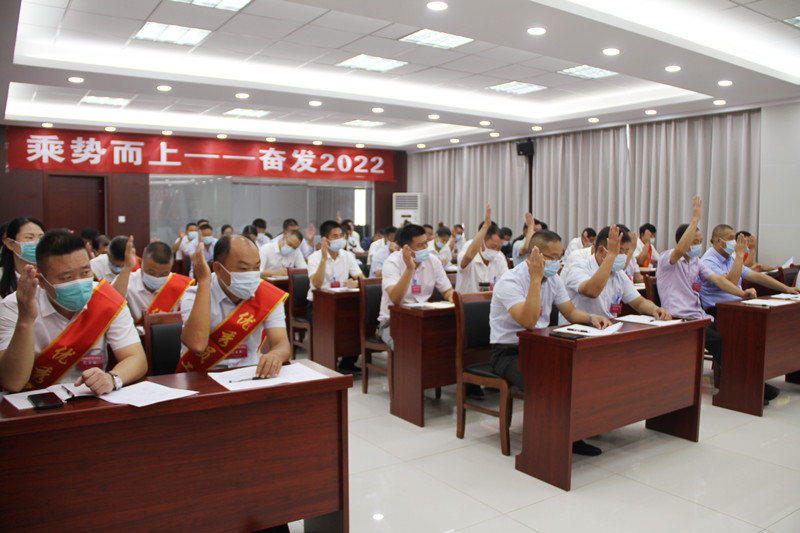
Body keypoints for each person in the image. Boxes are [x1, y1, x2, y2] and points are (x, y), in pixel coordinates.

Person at [489, 230, 612, 455]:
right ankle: (545, 444)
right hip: (509, 352)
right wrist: (536, 279)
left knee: (576, 373)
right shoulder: (510, 281)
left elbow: (570, 311)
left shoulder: (554, 279)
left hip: (541, 347)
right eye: (552, 257)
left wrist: (591, 317)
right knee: (546, 381)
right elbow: (528, 321)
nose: (557, 262)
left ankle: (572, 435)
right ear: (535, 255)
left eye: (559, 256)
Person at [0, 229, 146, 393]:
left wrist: (112, 378)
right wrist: (25, 320)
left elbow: (136, 359)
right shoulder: (14, 306)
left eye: (85, 272)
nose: (79, 283)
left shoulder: (106, 299)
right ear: (41, 281)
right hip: (33, 401)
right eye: (67, 277)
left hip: (91, 398)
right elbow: (12, 382)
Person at [655, 197, 774, 397]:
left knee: (736, 334)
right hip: (679, 317)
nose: (698, 245)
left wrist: (741, 293)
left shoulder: (696, 262)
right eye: (694, 241)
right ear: (682, 241)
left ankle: (751, 382)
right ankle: (743, 386)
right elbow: (679, 251)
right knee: (719, 341)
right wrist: (695, 219)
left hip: (699, 315)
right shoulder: (667, 258)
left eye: (700, 241)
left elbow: (719, 281)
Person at [179, 235, 290, 374]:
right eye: (243, 269)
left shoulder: (268, 295)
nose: (251, 275)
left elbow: (281, 344)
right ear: (218, 269)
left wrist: (276, 355)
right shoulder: (194, 295)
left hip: (247, 374)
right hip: (203, 376)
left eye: (256, 267)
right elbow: (197, 344)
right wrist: (204, 282)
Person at [564, 225, 670, 320]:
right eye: (619, 252)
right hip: (579, 329)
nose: (623, 256)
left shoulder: (618, 273)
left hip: (607, 328)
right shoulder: (578, 268)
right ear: (601, 251)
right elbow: (592, 291)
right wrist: (611, 255)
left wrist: (654, 309)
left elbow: (639, 302)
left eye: (626, 251)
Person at [377, 224, 453, 350]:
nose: (426, 248)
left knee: (446, 338)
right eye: (420, 245)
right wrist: (409, 268)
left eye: (426, 243)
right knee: (408, 345)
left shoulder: (433, 261)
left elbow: (447, 291)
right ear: (406, 247)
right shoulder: (392, 263)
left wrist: (452, 297)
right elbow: (396, 299)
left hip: (423, 318)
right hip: (393, 321)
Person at [307, 220, 363, 372]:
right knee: (332, 325)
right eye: (335, 236)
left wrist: (355, 282)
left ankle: (348, 362)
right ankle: (326, 361)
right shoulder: (314, 258)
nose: (340, 239)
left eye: (341, 235)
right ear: (325, 239)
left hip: (342, 303)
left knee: (355, 321)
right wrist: (324, 258)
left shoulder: (348, 256)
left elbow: (361, 278)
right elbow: (317, 284)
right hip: (318, 305)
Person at [700, 224, 799, 312]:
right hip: (718, 308)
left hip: (737, 304)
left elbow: (757, 277)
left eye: (734, 238)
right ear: (718, 240)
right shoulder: (709, 261)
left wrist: (786, 288)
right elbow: (731, 284)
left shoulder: (730, 259)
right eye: (730, 238)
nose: (734, 242)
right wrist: (740, 255)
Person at [118, 241, 194, 326]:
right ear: (141, 263)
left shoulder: (182, 286)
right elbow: (113, 309)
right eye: (151, 273)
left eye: (163, 274)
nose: (156, 277)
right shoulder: (126, 282)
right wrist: (127, 268)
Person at [456, 204, 508, 293]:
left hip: (491, 300)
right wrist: (486, 226)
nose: (495, 251)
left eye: (498, 248)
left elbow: (505, 282)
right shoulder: (469, 247)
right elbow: (468, 257)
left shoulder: (499, 256)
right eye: (493, 247)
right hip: (467, 300)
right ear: (482, 242)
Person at [1, 217, 45, 299]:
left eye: (41, 238)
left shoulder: (51, 276)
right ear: (10, 244)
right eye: (30, 237)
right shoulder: (1, 276)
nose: (37, 242)